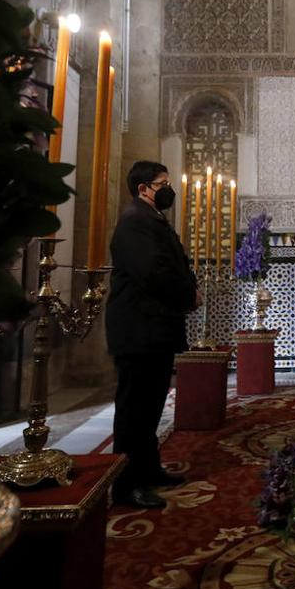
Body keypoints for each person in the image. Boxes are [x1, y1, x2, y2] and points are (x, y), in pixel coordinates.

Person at [106, 160, 199, 509]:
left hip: (154, 329)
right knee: (134, 410)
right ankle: (126, 485)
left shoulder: (150, 220)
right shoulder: (134, 223)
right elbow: (154, 273)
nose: (168, 189)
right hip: (138, 330)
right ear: (144, 188)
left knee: (151, 405)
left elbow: (172, 263)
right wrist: (188, 295)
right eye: (163, 184)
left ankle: (148, 468)